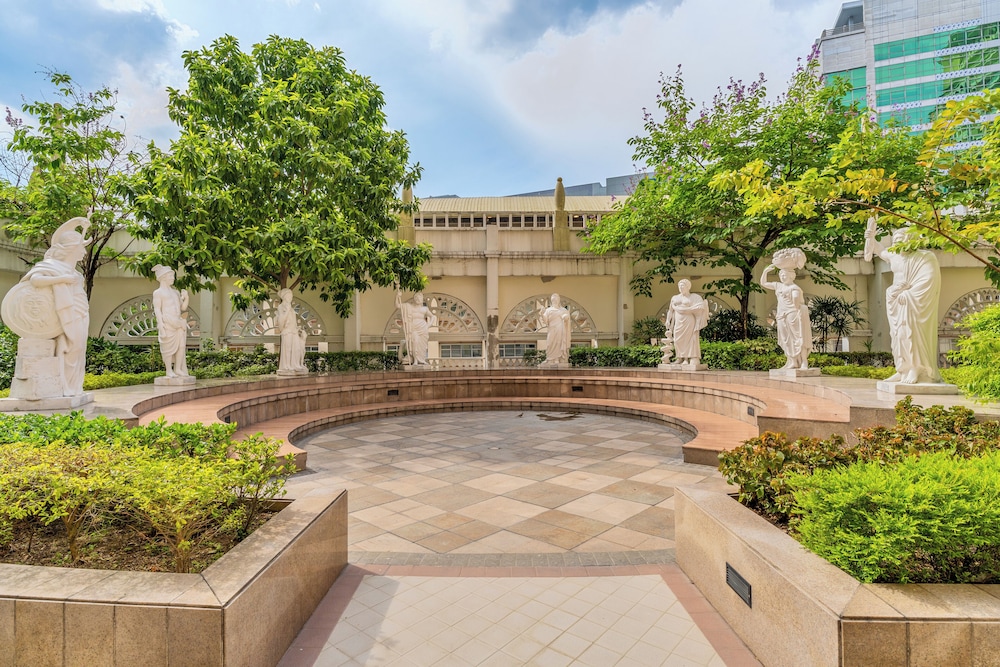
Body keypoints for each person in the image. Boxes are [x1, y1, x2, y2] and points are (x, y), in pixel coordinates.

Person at [20, 217, 91, 396]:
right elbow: (35, 281)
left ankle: (74, 387)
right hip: (64, 312)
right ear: (71, 249)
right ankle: (63, 386)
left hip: (80, 311)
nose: (84, 251)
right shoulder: (52, 266)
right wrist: (62, 279)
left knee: (78, 349)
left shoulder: (76, 273)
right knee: (68, 347)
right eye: (81, 247)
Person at [865, 221, 942, 384]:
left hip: (913, 303)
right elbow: (880, 251)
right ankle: (903, 369)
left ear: (910, 240)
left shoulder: (925, 257)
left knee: (912, 334)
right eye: (895, 239)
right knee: (898, 336)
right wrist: (871, 237)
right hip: (896, 303)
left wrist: (908, 294)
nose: (897, 242)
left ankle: (917, 369)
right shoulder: (894, 256)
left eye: (900, 239)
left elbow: (928, 280)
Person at [761, 255, 812, 370]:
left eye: (785, 275)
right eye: (781, 275)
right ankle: (792, 361)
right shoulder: (778, 286)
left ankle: (804, 361)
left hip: (793, 314)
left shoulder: (795, 288)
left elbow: (797, 301)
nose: (782, 277)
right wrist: (765, 272)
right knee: (786, 339)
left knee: (798, 338)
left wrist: (796, 299)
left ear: (791, 276)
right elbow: (764, 283)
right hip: (781, 315)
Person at [151, 265, 192, 378]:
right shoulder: (158, 293)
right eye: (170, 276)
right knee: (168, 349)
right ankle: (169, 370)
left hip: (178, 322)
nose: (173, 278)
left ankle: (178, 369)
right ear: (163, 277)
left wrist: (186, 297)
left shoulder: (176, 292)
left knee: (181, 347)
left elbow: (182, 307)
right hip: (167, 322)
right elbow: (157, 309)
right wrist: (160, 324)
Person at [664, 279, 709, 364]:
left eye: (683, 285)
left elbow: (700, 307)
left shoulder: (693, 297)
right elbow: (670, 310)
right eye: (679, 286)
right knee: (677, 339)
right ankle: (679, 358)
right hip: (678, 320)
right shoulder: (675, 298)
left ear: (688, 287)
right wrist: (668, 320)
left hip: (689, 320)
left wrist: (689, 309)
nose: (681, 287)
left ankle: (686, 359)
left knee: (688, 339)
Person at [396, 290, 436, 365]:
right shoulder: (409, 306)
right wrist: (397, 296)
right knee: (415, 343)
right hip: (413, 328)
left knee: (422, 346)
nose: (418, 299)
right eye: (416, 298)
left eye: (419, 298)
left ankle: (422, 360)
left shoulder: (425, 309)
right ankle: (415, 360)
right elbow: (398, 305)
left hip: (423, 328)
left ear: (422, 299)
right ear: (414, 299)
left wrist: (428, 325)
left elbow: (433, 316)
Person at [276, 288, 308, 374]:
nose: (290, 297)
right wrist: (286, 311)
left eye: (291, 296)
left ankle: (296, 365)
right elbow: (280, 321)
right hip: (287, 331)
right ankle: (287, 366)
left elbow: (294, 322)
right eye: (289, 295)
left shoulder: (291, 308)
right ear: (284, 296)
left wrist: (297, 329)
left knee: (297, 349)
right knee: (288, 349)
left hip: (294, 331)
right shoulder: (281, 307)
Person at [538, 293, 571, 366]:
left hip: (560, 329)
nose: (555, 301)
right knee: (550, 344)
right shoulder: (548, 310)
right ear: (551, 301)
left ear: (559, 300)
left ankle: (558, 359)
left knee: (559, 343)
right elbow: (545, 320)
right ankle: (550, 359)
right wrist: (542, 313)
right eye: (553, 300)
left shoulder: (563, 310)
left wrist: (566, 318)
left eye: (556, 300)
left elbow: (567, 319)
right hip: (551, 329)